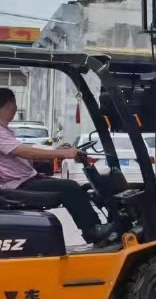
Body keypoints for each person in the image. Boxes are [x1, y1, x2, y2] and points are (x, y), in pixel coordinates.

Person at [0, 88, 112, 244]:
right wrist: (64, 154)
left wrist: (56, 151)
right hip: (18, 186)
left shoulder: (5, 131)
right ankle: (92, 231)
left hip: (23, 182)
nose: (15, 109)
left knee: (80, 188)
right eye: (14, 105)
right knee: (70, 187)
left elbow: (23, 151)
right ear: (8, 105)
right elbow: (24, 151)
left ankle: (95, 227)